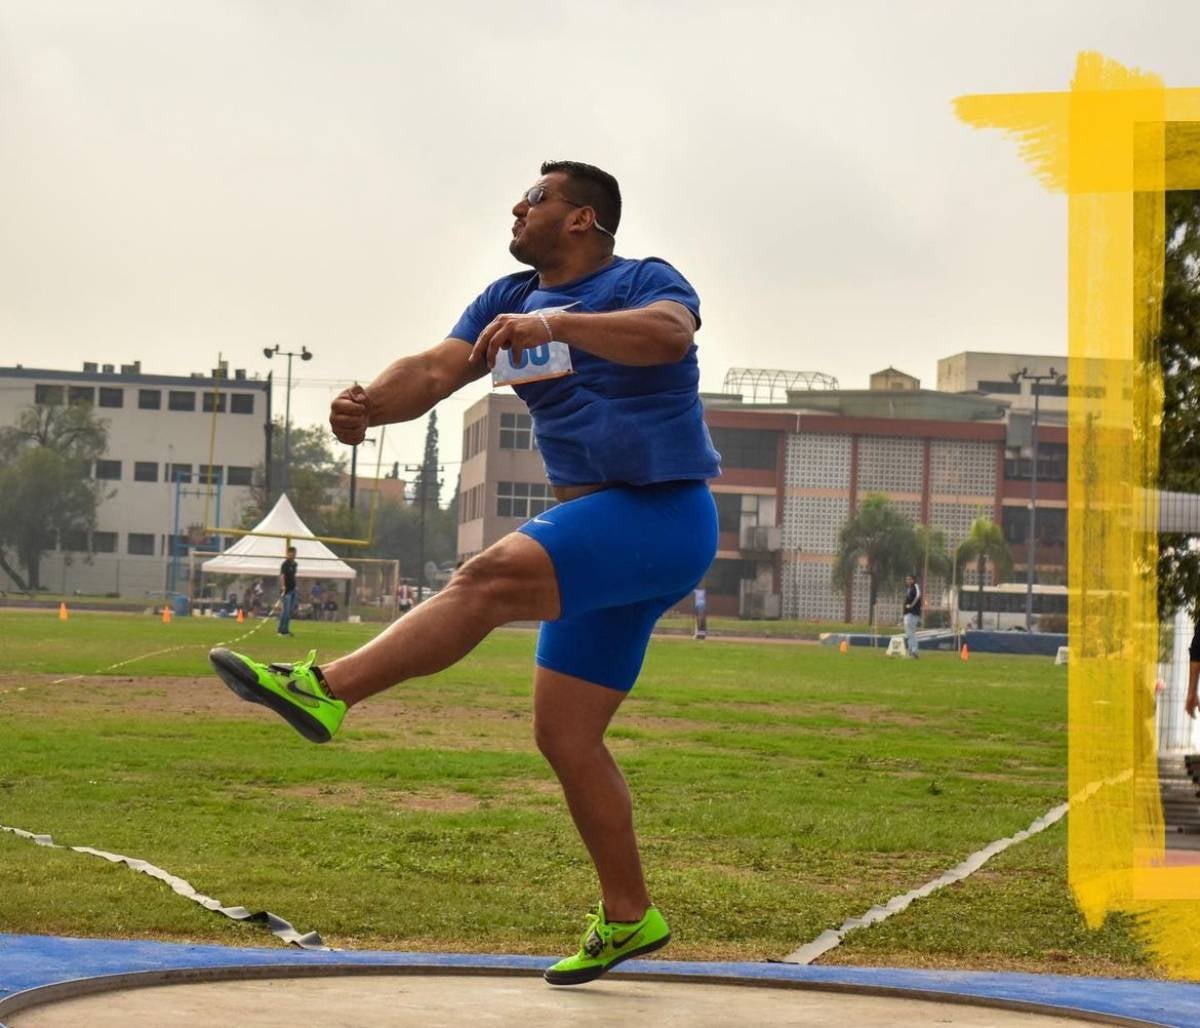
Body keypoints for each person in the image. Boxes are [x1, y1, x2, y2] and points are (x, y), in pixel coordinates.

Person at [209, 160, 720, 985]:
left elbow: (670, 333)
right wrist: (369, 405)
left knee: (484, 578)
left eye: (539, 197)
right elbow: (438, 369)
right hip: (605, 534)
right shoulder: (504, 300)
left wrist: (560, 326)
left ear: (583, 218)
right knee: (565, 735)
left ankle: (325, 689)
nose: (519, 207)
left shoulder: (640, 279)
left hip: (659, 517)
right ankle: (631, 915)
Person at [278, 546, 298, 636]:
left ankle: (286, 629)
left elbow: (293, 576)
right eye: (291, 553)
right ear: (288, 554)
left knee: (289, 612)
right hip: (287, 591)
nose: (293, 555)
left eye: (294, 553)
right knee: (285, 611)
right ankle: (281, 630)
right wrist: (282, 586)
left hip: (293, 590)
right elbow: (282, 576)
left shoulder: (294, 564)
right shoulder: (285, 564)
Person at [902, 574, 922, 659]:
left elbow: (918, 595)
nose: (908, 581)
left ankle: (914, 651)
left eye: (909, 579)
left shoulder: (915, 586)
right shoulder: (909, 589)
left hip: (913, 613)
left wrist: (911, 605)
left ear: (913, 580)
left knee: (912, 632)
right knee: (909, 633)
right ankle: (911, 651)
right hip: (908, 613)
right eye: (907, 579)